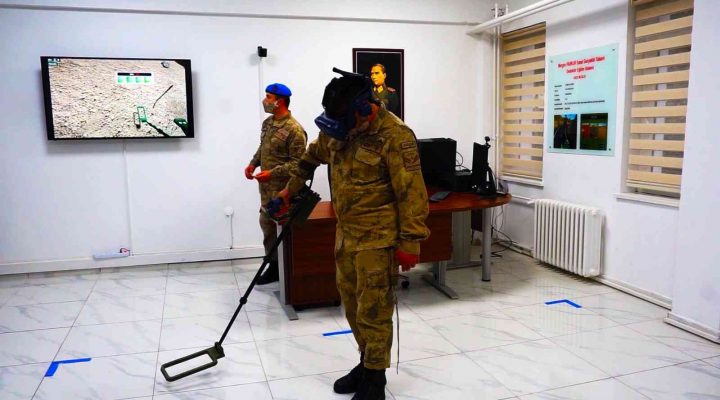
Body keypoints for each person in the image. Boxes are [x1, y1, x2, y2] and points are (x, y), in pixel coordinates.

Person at [271, 68, 429, 400]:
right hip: (346, 235)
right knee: (353, 306)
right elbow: (309, 158)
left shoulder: (395, 136)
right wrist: (288, 191)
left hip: (379, 240)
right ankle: (366, 361)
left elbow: (412, 193)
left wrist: (411, 242)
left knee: (375, 310)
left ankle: (375, 379)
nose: (339, 130)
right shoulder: (339, 127)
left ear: (364, 109)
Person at [245, 83, 307, 285]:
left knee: (285, 233)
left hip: (284, 192)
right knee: (267, 228)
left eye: (269, 97)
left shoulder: (294, 129)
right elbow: (263, 147)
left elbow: (298, 165)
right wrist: (253, 164)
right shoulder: (268, 123)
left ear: (280, 101)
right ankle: (274, 267)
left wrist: (272, 173)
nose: (265, 101)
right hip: (266, 190)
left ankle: (289, 272)